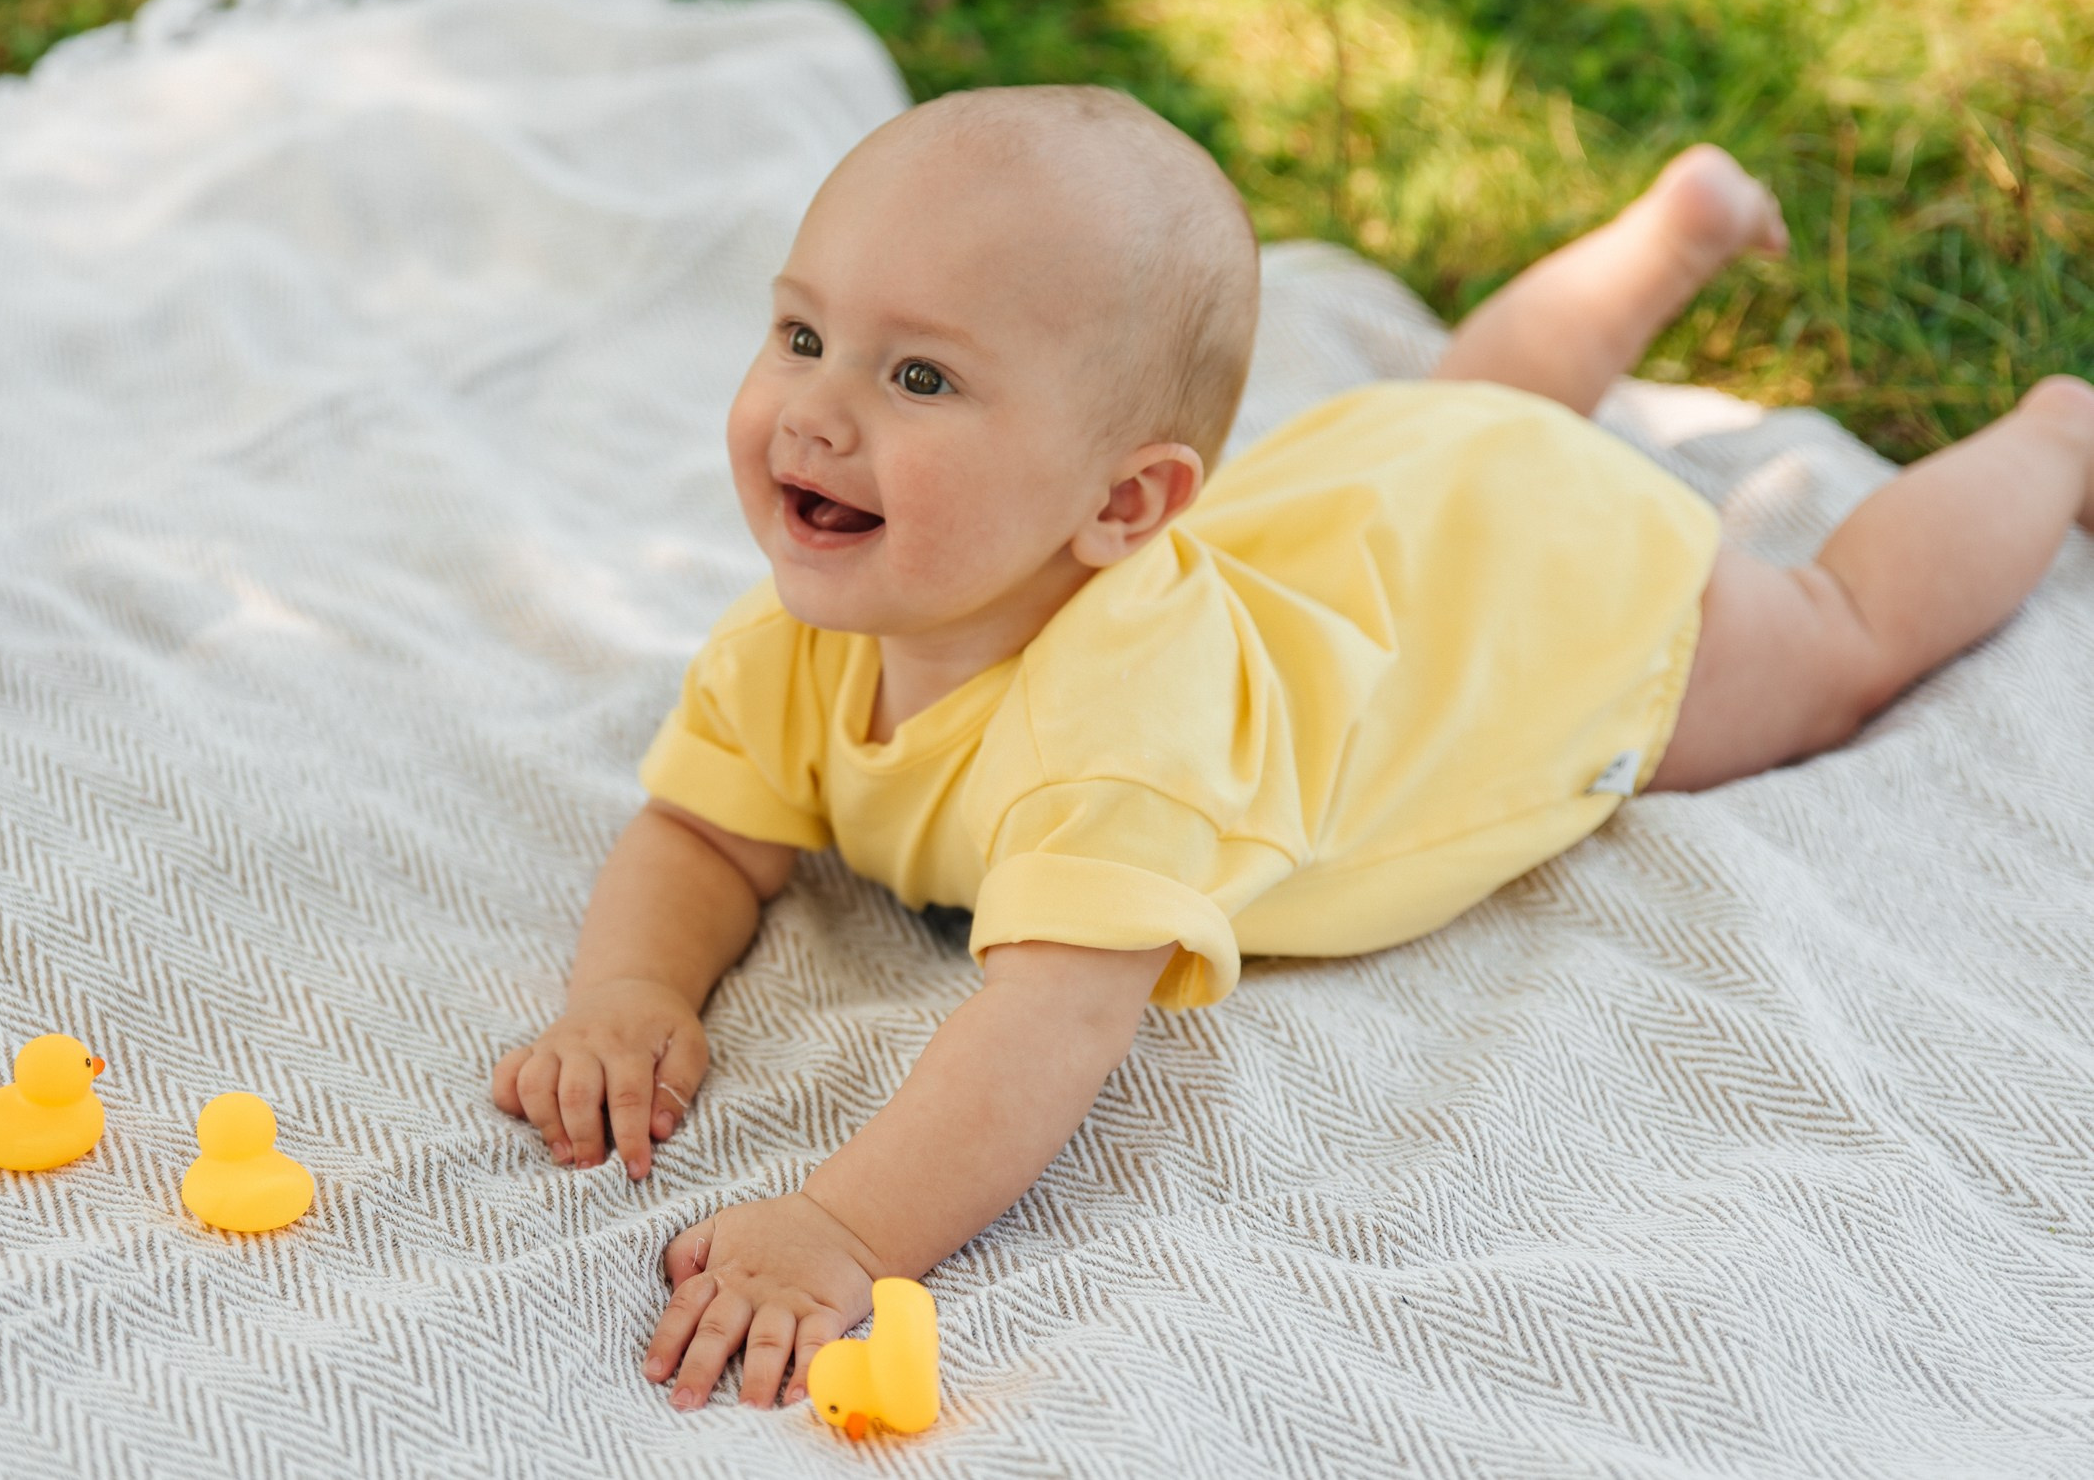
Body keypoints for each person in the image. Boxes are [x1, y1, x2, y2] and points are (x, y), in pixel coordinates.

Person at [490, 86, 2094, 1410]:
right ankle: (1670, 234)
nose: (815, 413)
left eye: (919, 375)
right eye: (799, 332)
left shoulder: (1123, 731)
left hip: (1525, 606)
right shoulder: (802, 632)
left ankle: (2051, 437)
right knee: (1467, 408)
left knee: (1835, 635)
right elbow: (701, 831)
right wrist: (628, 990)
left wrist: (843, 1224)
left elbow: (1048, 1020)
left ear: (1125, 504)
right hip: (1378, 497)